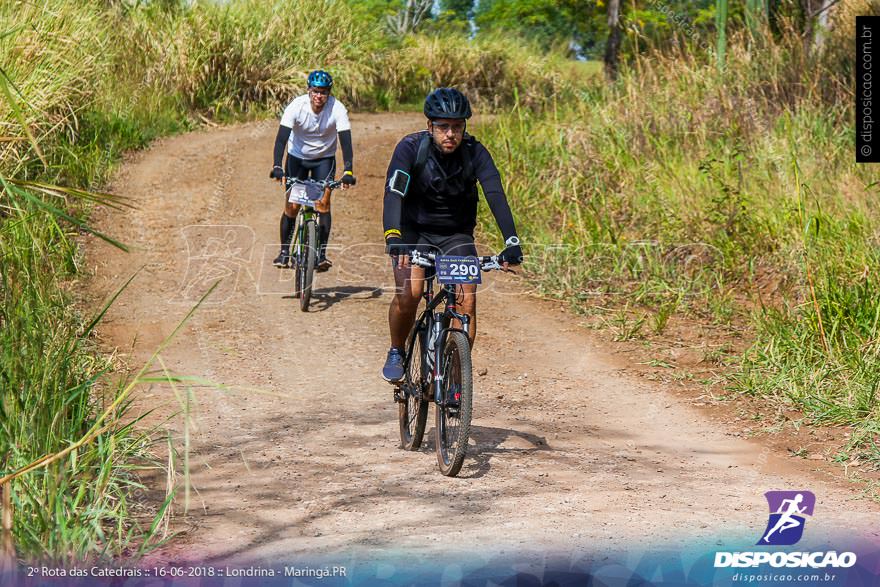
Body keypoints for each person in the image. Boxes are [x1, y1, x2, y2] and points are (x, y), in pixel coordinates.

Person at [380, 87, 523, 382]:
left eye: (457, 127)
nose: (450, 134)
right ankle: (396, 349)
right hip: (414, 232)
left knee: (466, 302)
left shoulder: (475, 152)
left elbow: (495, 193)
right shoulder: (410, 148)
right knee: (411, 293)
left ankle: (455, 373)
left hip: (456, 234)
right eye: (443, 127)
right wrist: (394, 237)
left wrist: (511, 240)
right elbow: (394, 192)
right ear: (429, 126)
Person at [269, 69, 356, 271]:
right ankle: (284, 253)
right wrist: (277, 166)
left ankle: (321, 255)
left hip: (324, 159)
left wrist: (348, 171)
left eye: (324, 92)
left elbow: (346, 142)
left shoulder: (337, 109)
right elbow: (281, 139)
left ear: (329, 93)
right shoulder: (296, 107)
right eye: (316, 91)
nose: (319, 96)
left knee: (323, 203)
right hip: (297, 158)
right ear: (309, 90)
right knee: (292, 205)